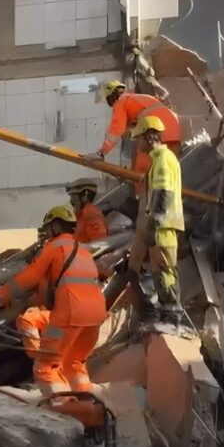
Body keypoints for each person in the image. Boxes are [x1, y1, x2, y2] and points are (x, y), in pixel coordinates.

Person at [0, 205, 106, 395]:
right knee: (74, 363)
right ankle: (86, 401)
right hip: (95, 317)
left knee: (46, 366)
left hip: (71, 313)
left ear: (55, 227)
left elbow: (30, 276)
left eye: (48, 228)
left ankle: (61, 404)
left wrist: (1, 294)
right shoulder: (83, 250)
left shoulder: (54, 247)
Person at [128, 116, 185, 326]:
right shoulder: (162, 159)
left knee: (165, 272)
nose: (137, 143)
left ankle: (172, 316)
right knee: (160, 271)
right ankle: (167, 315)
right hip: (164, 225)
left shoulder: (163, 159)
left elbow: (163, 193)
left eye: (139, 138)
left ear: (149, 136)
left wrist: (154, 223)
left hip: (163, 226)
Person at [89, 80, 182, 194]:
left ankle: (141, 198)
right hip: (172, 132)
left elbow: (115, 131)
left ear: (110, 96)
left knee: (141, 167)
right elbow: (128, 129)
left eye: (106, 100)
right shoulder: (135, 99)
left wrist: (101, 153)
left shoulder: (121, 102)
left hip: (160, 132)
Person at [66, 178, 108, 243]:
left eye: (73, 197)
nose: (71, 202)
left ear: (85, 195)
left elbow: (98, 244)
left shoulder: (91, 215)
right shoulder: (81, 214)